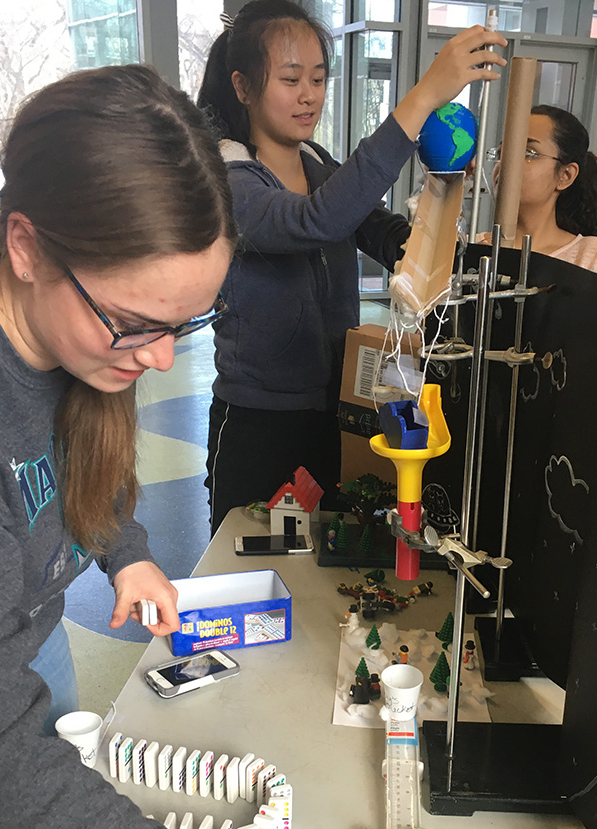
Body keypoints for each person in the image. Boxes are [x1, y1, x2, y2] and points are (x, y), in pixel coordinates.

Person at [0, 64, 421, 829]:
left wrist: (125, 556)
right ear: (25, 245)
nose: (160, 360)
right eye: (135, 323)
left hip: (8, 662)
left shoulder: (82, 341)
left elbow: (91, 462)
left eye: (185, 323)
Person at [199, 0, 508, 532]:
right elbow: (318, 221)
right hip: (259, 425)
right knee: (257, 573)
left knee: (322, 561)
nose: (309, 95)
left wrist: (443, 188)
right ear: (243, 87)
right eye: (291, 78)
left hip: (333, 412)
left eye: (318, 79)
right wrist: (423, 97)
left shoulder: (318, 163)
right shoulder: (228, 181)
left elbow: (382, 233)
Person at [480, 104, 597, 289]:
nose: (506, 163)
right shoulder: (470, 246)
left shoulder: (591, 257)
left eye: (528, 153)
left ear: (565, 175)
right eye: (502, 153)